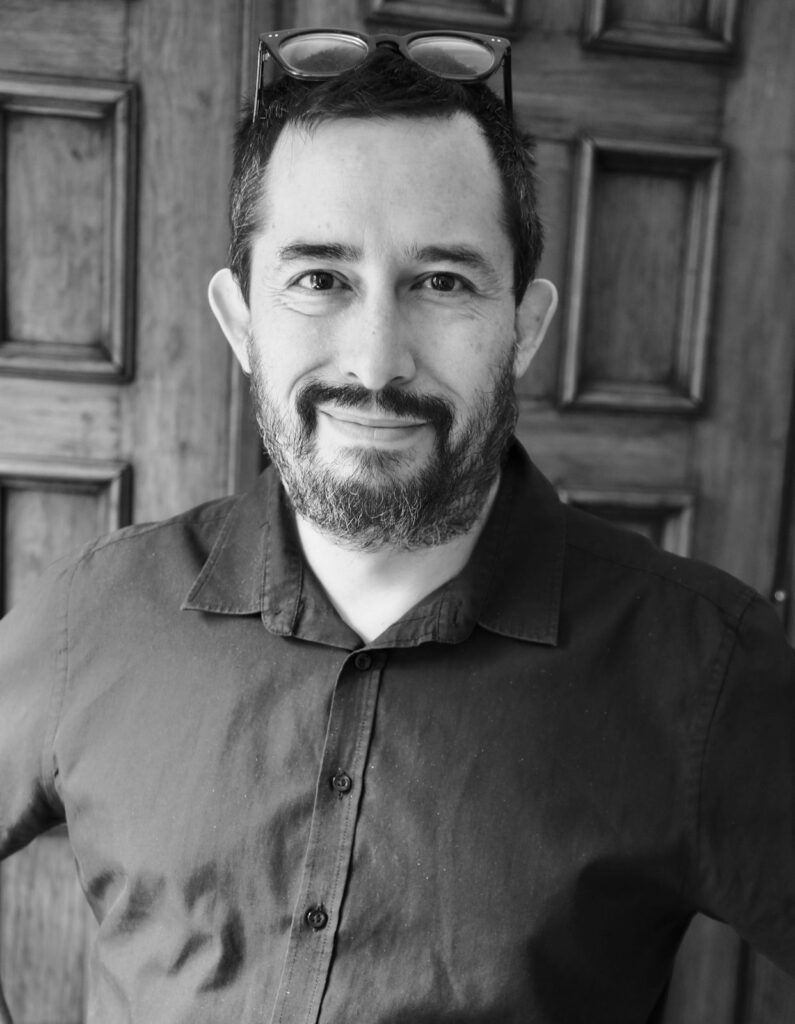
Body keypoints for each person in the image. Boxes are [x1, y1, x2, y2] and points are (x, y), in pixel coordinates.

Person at [0, 27, 793, 1024]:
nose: (376, 362)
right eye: (320, 279)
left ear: (525, 327)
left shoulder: (703, 668)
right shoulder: (95, 616)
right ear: (241, 320)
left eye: (442, 282)